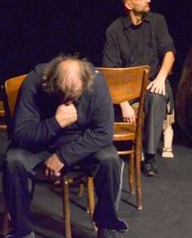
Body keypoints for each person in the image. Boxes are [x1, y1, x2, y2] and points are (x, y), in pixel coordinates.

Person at [3, 55, 128, 238]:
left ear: (85, 84)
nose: (68, 101)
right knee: (14, 160)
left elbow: (103, 133)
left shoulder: (96, 81)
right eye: (62, 94)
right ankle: (21, 230)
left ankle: (109, 227)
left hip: (79, 142)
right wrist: (56, 123)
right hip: (41, 142)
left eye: (74, 96)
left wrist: (63, 156)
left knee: (109, 159)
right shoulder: (35, 80)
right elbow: (21, 134)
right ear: (51, 83)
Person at [102, 0, 175, 177]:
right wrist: (124, 103)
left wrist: (161, 78)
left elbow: (169, 52)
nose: (148, 0)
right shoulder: (114, 31)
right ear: (129, 5)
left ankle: (149, 157)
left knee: (157, 97)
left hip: (153, 82)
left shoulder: (158, 21)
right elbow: (111, 71)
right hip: (126, 89)